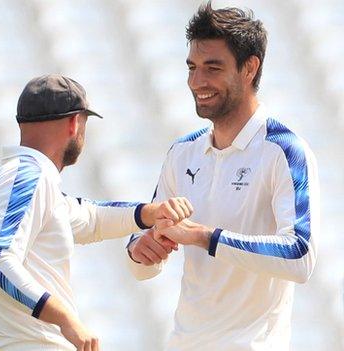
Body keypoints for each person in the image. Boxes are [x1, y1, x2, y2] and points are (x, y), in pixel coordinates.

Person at [126, 3, 320, 350]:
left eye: (212, 68)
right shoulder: (181, 153)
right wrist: (143, 251)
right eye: (192, 68)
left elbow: (300, 255)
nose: (197, 82)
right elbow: (141, 261)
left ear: (250, 68)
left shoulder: (285, 150)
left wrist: (204, 236)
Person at [0, 74, 193, 351]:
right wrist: (66, 319)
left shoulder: (31, 178)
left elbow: (90, 218)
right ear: (74, 123)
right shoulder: (29, 175)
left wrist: (151, 213)